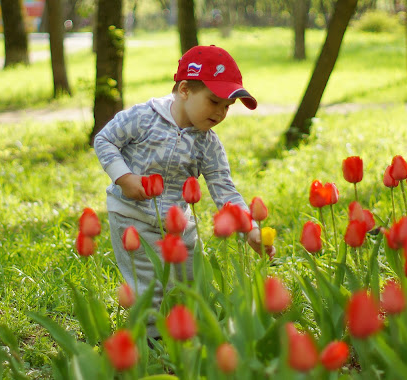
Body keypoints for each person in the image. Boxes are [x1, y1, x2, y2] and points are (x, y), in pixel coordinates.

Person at [94, 45, 273, 338]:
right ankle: (151, 345)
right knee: (148, 286)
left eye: (227, 107)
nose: (220, 113)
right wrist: (124, 177)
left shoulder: (207, 142)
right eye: (214, 101)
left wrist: (249, 228)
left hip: (179, 225)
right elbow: (104, 140)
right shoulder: (142, 118)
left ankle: (186, 336)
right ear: (185, 89)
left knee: (191, 283)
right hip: (132, 218)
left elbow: (224, 188)